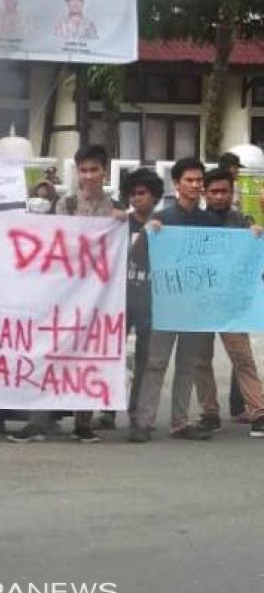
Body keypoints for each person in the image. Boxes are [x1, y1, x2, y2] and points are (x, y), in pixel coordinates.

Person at [9, 145, 123, 444]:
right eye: (83, 170)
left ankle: (83, 423)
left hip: (99, 296)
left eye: (93, 170)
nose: (88, 176)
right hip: (63, 293)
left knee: (90, 356)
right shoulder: (65, 205)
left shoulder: (115, 209)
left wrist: (121, 223)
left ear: (104, 171)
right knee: (50, 353)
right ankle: (38, 422)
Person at [131, 158, 219, 443]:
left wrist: (254, 233)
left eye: (198, 180)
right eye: (189, 180)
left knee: (188, 365)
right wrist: (147, 234)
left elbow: (227, 254)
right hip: (165, 302)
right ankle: (143, 421)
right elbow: (139, 258)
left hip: (194, 305)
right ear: (177, 183)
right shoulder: (163, 220)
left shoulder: (210, 222)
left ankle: (180, 421)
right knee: (155, 362)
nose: (195, 185)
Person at [190, 168, 264, 438]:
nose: (219, 196)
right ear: (205, 193)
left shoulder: (243, 222)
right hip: (200, 301)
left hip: (231, 304)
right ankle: (209, 413)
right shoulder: (193, 222)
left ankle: (258, 412)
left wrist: (256, 234)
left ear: (232, 193)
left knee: (243, 357)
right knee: (200, 360)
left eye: (224, 191)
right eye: (214, 191)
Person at [121, 168, 164, 423]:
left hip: (150, 301)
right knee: (112, 355)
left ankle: (137, 412)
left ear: (155, 195)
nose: (137, 199)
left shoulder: (164, 225)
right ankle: (105, 410)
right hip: (120, 299)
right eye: (133, 194)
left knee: (145, 359)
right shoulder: (120, 223)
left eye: (142, 193)